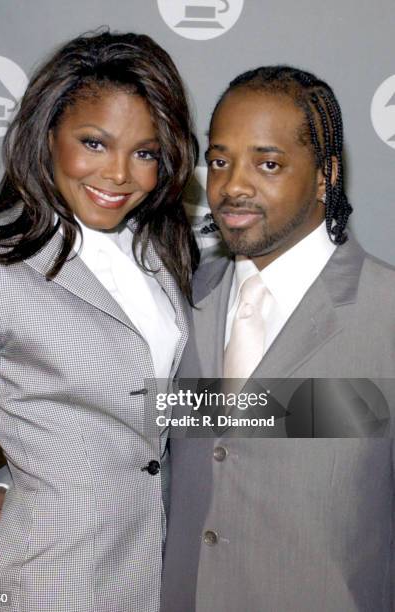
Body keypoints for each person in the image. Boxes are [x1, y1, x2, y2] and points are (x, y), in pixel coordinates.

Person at [0, 30, 198, 612]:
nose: (118, 175)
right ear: (47, 133)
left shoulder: (159, 257)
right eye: (94, 142)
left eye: (145, 152)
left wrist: (344, 408)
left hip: (157, 572)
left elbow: (144, 414)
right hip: (49, 581)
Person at [160, 66, 395, 611]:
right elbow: (121, 438)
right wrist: (6, 482)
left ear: (324, 176)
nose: (233, 185)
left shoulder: (385, 313)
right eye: (219, 162)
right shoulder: (175, 304)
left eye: (268, 163)